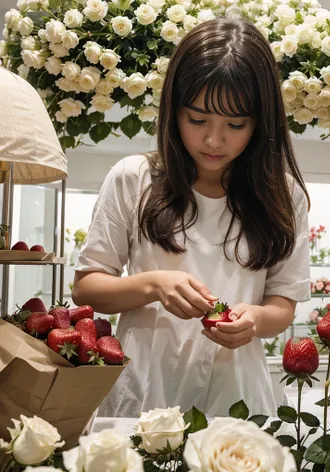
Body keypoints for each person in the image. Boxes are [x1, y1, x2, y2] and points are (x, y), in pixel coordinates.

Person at [72, 16, 310, 418]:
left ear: (261, 122)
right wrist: (153, 284)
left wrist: (255, 319)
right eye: (197, 119)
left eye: (236, 124)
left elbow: (283, 305)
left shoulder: (283, 195)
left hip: (239, 393)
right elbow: (86, 288)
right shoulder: (134, 178)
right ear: (173, 109)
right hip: (144, 390)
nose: (214, 140)